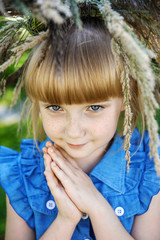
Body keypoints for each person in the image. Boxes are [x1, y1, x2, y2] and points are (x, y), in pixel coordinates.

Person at [0, 11, 160, 240]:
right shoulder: (24, 177)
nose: (74, 131)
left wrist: (96, 206)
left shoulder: (150, 169)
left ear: (125, 98)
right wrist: (66, 219)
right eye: (55, 107)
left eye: (94, 108)